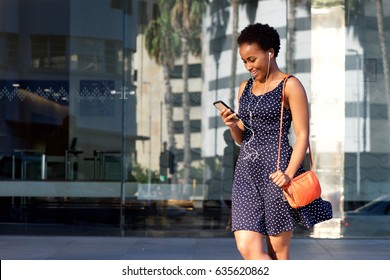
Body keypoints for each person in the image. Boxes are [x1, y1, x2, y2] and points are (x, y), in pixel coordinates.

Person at [218, 23, 311, 260]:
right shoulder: (244, 88)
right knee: (247, 247)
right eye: (244, 61)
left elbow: (302, 136)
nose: (248, 66)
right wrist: (232, 125)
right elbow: (242, 137)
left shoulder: (290, 85)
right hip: (246, 173)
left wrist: (288, 174)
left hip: (277, 174)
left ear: (270, 53)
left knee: (277, 252)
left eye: (252, 59)